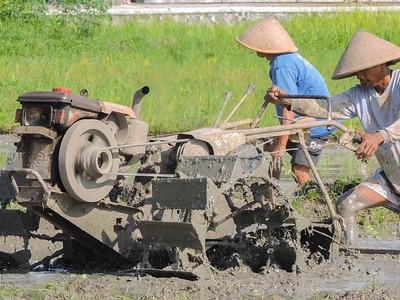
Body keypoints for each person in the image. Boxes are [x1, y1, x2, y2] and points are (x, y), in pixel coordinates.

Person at [265, 29, 400, 247]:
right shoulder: (359, 94)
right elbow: (326, 107)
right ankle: (349, 259)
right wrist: (286, 100)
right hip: (392, 178)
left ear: (380, 64)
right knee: (347, 204)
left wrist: (378, 136)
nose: (359, 76)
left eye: (362, 70)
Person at [236, 17, 338, 187]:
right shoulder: (286, 59)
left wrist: (282, 146)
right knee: (270, 148)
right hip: (302, 122)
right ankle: (272, 196)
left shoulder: (282, 65)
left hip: (316, 124)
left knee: (298, 169)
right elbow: (286, 95)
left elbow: (289, 107)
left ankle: (312, 200)